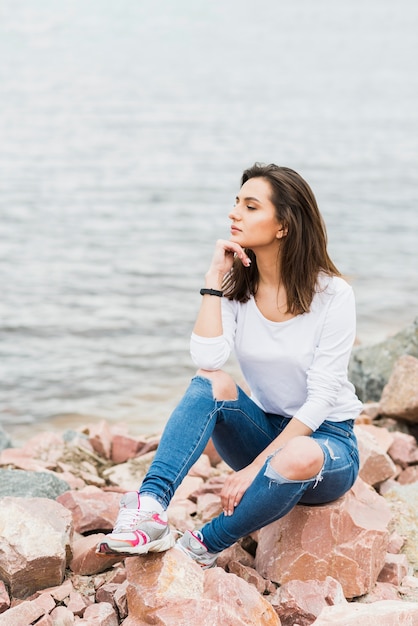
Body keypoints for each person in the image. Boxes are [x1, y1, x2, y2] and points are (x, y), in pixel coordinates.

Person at [97, 162, 362, 568]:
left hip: (325, 445)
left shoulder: (333, 294)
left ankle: (204, 544)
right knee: (211, 382)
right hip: (263, 428)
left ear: (284, 226)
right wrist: (213, 280)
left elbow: (322, 397)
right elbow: (208, 359)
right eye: (236, 202)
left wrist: (256, 467)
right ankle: (150, 507)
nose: (234, 213)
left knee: (296, 456)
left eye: (251, 206)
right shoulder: (241, 287)